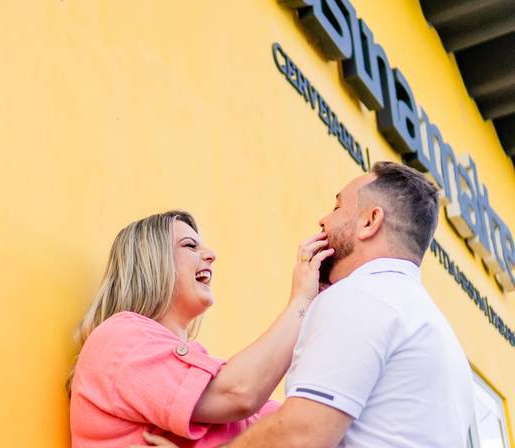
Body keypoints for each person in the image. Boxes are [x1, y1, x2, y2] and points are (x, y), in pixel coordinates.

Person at [133, 162, 475, 448]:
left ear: (370, 221)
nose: (323, 220)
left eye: (338, 206)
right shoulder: (435, 329)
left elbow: (299, 434)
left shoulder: (359, 297)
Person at [69, 210, 334, 447]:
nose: (210, 255)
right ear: (152, 262)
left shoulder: (201, 372)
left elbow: (294, 427)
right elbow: (239, 392)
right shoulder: (119, 339)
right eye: (190, 245)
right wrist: (302, 300)